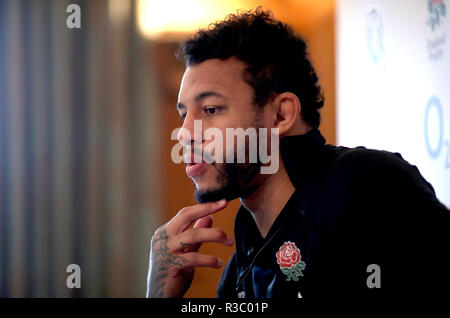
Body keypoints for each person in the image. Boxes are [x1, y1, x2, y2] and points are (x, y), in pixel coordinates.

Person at [146, 8, 450, 298]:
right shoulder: (240, 268)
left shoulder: (367, 184)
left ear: (281, 115)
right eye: (184, 114)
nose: (185, 134)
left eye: (211, 109)